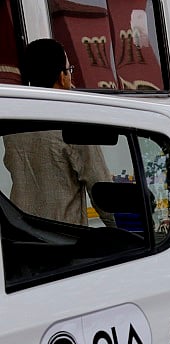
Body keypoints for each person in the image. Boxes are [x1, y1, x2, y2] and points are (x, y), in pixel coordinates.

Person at [3, 38, 113, 226]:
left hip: (20, 236)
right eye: (69, 71)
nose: (71, 78)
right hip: (62, 240)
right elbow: (101, 190)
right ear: (62, 77)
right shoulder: (73, 121)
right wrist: (127, 235)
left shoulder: (14, 122)